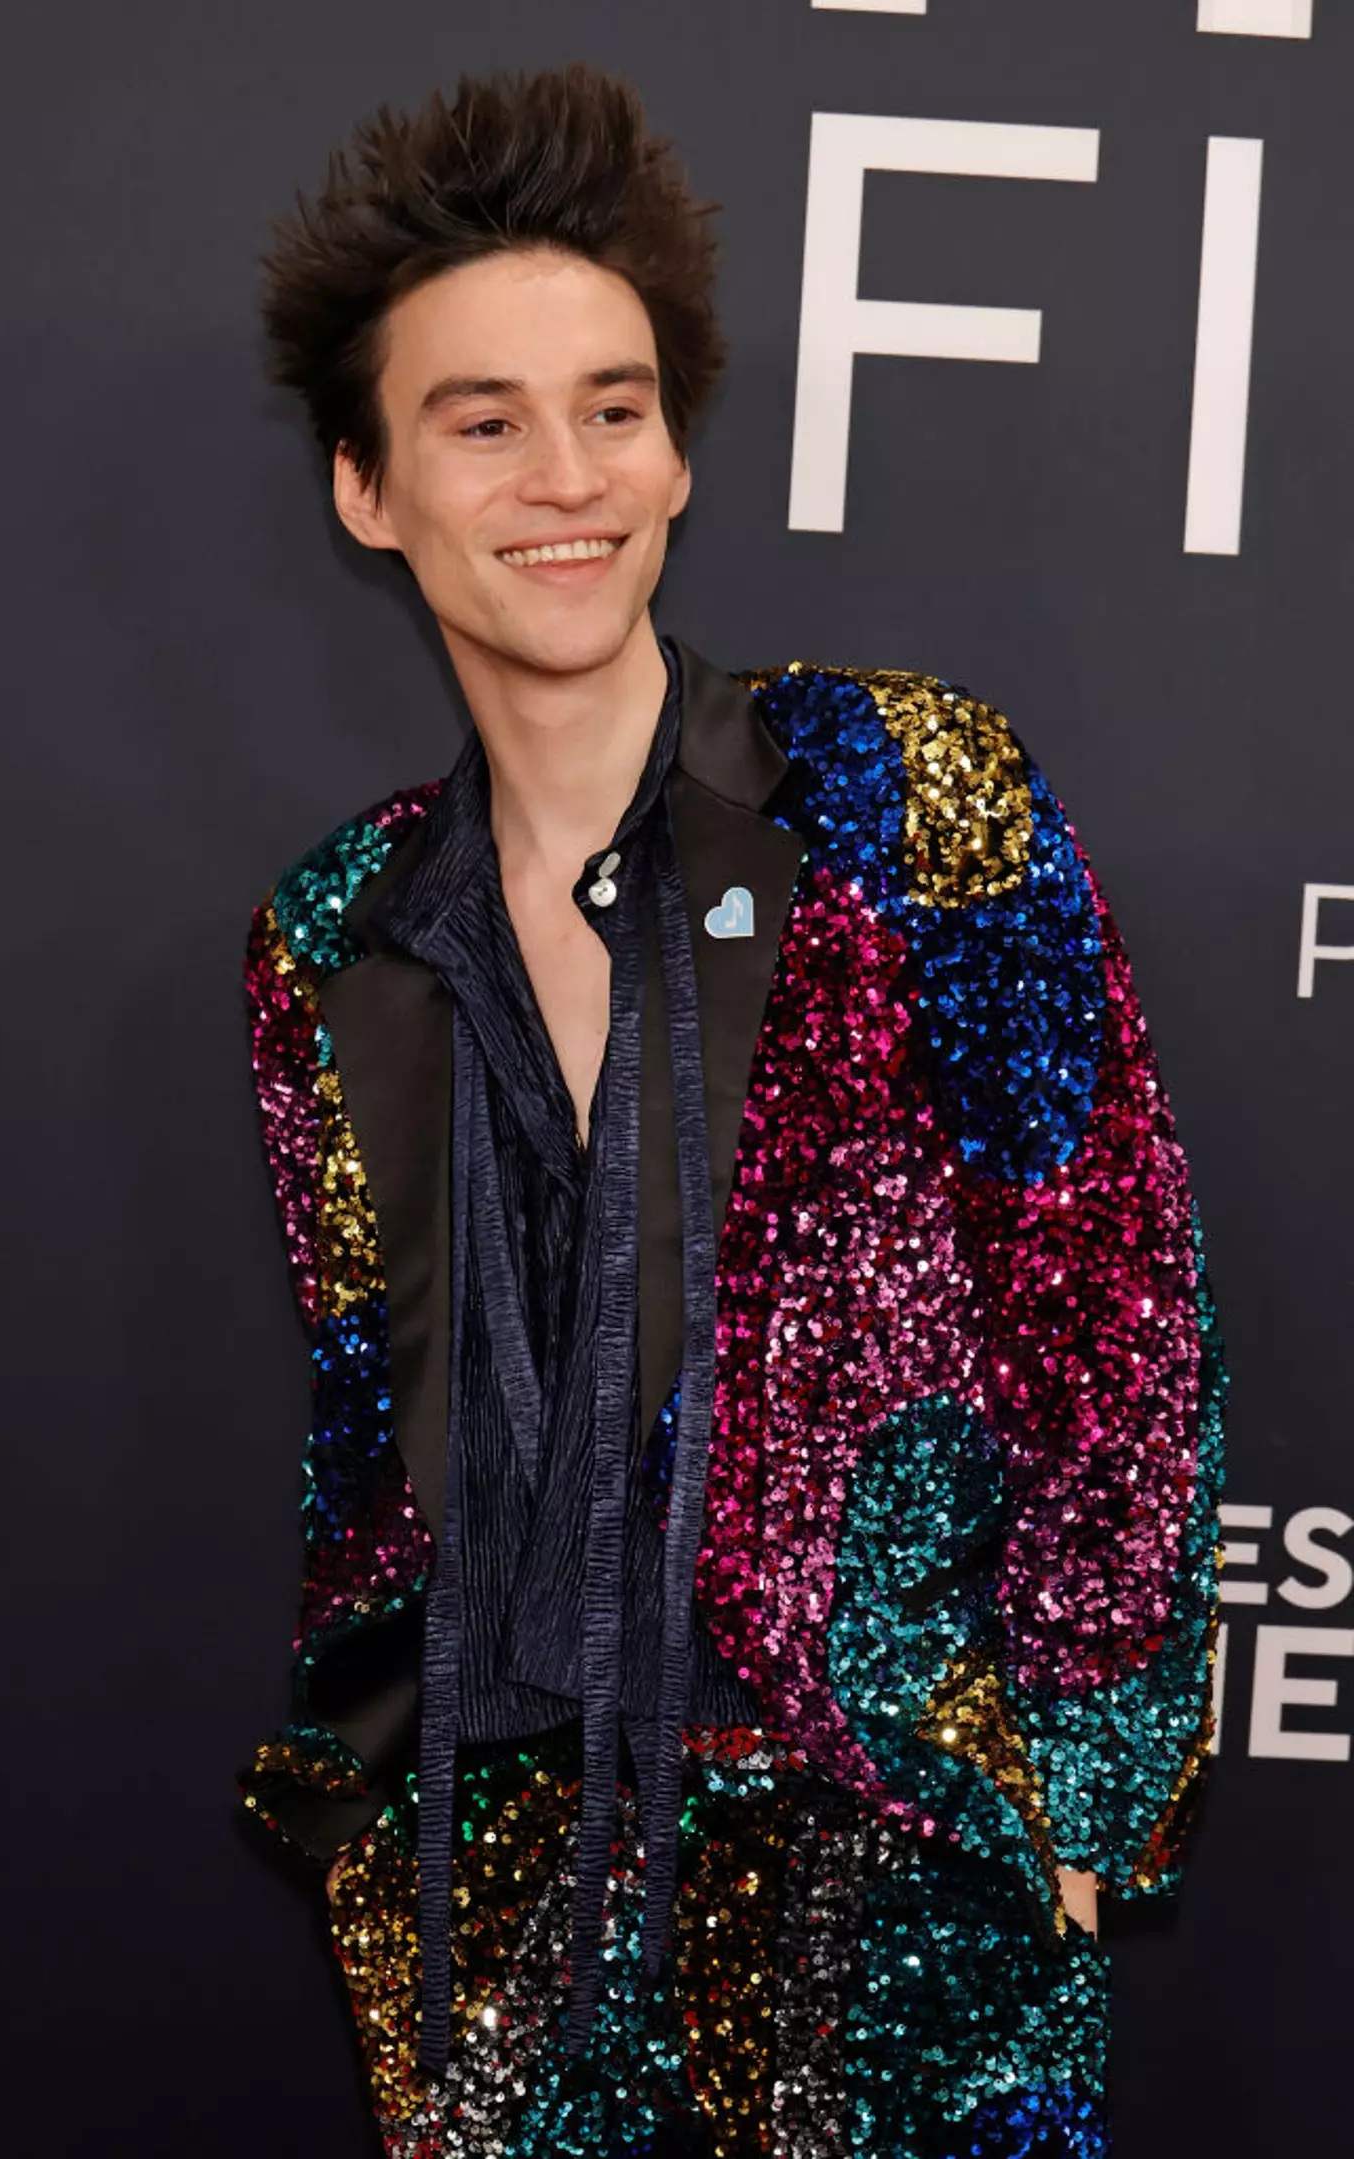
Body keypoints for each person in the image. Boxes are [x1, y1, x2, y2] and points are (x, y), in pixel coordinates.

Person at [237, 62, 1224, 2159]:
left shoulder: (901, 786)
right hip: (492, 1897)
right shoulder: (332, 940)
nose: (563, 474)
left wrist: (1075, 1776)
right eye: (480, 420)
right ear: (368, 487)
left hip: (899, 1864)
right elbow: (370, 1409)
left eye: (612, 405)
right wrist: (372, 1823)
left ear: (678, 451)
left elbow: (1111, 1289)